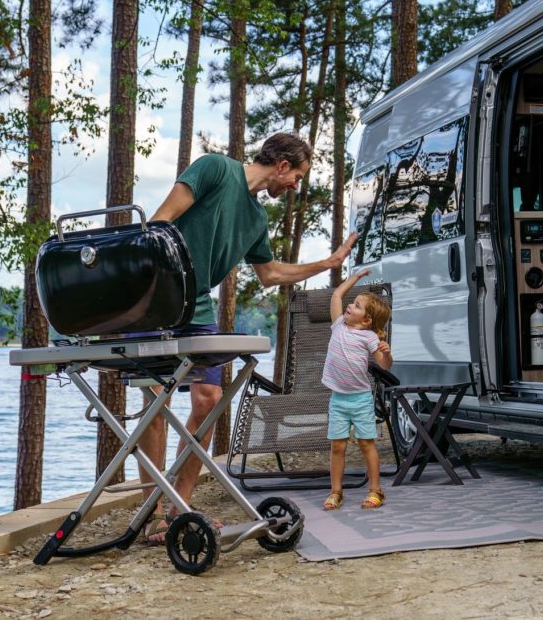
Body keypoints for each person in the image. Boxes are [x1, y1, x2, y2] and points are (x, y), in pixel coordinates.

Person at [141, 132, 357, 544]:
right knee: (156, 399)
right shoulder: (214, 168)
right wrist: (156, 290)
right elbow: (159, 222)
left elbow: (270, 274)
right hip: (159, 296)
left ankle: (179, 509)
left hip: (198, 306)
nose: (296, 185)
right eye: (297, 176)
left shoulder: (257, 219)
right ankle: (152, 517)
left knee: (207, 400)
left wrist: (328, 263)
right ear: (282, 166)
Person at [321, 268, 392, 511]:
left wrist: (386, 353)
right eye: (353, 302)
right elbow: (336, 296)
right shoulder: (338, 325)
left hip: (361, 399)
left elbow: (384, 366)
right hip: (338, 399)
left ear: (366, 320)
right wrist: (356, 279)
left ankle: (375, 490)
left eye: (357, 305)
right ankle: (336, 492)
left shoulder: (369, 338)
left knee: (366, 444)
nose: (350, 306)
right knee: (337, 446)